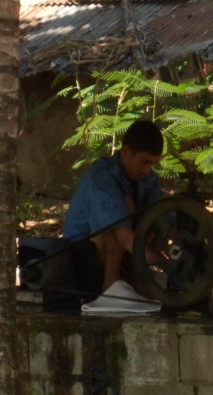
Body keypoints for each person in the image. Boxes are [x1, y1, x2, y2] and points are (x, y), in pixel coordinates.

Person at [63, 120, 165, 294]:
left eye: (153, 164)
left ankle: (133, 279)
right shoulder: (101, 179)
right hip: (81, 262)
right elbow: (123, 235)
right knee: (123, 209)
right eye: (145, 162)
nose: (148, 170)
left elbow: (163, 213)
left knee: (161, 219)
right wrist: (166, 265)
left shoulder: (147, 178)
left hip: (121, 254)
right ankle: (110, 287)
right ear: (126, 151)